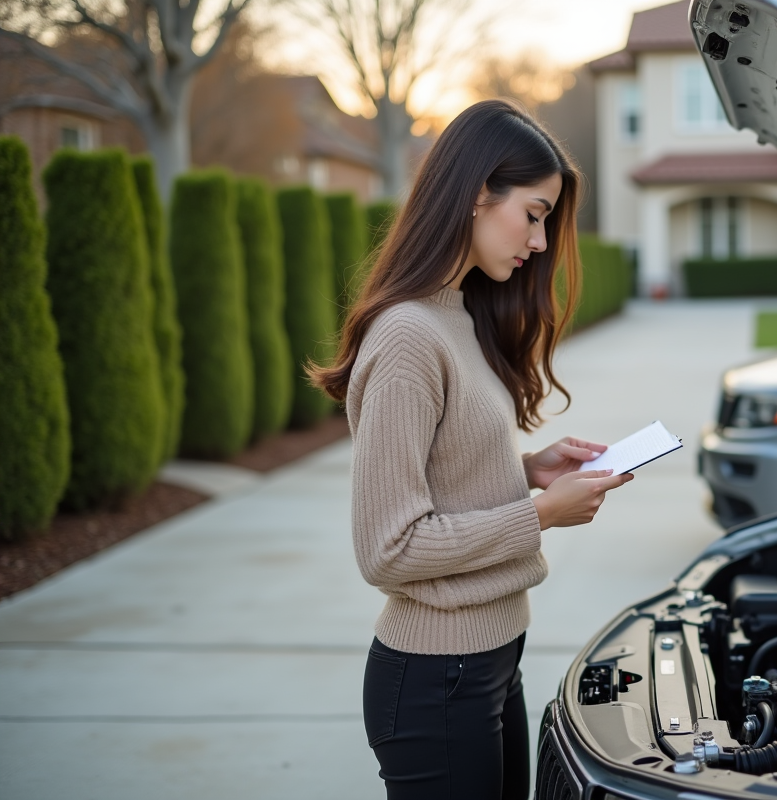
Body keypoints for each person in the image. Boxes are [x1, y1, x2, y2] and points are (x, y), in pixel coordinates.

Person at [308, 99, 633, 799]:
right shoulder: (406, 337)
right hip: (435, 678)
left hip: (487, 658)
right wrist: (542, 514)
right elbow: (389, 546)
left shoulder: (456, 314)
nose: (541, 243)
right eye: (536, 213)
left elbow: (438, 474)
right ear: (480, 193)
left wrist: (526, 470)